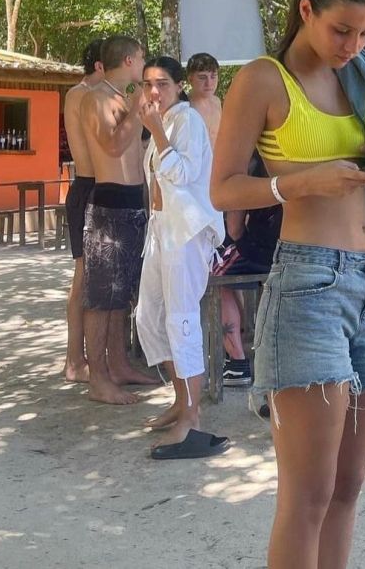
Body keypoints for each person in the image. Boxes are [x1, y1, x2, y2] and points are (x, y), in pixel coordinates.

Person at [211, 0, 365, 569]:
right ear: (306, 11)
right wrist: (300, 183)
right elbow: (223, 189)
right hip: (310, 288)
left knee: (350, 489)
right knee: (308, 494)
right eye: (341, 30)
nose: (354, 44)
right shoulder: (263, 80)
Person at [137, 55, 229, 459]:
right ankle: (180, 400)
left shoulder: (186, 121)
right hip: (162, 230)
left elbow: (183, 175)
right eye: (147, 84)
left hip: (187, 232)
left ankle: (191, 418)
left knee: (181, 317)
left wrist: (156, 130)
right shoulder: (167, 120)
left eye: (162, 84)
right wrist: (155, 128)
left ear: (179, 87)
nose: (154, 92)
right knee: (149, 315)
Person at [79, 34, 158, 405]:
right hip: (108, 204)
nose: (144, 66)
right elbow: (113, 145)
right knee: (102, 299)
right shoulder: (96, 98)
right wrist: (133, 106)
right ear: (129, 60)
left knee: (123, 295)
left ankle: (120, 364)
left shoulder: (120, 98)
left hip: (133, 203)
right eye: (141, 58)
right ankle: (98, 378)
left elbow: (139, 152)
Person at [218, 152, 283, 389]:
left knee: (212, 275)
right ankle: (245, 336)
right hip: (292, 252)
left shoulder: (248, 167)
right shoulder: (296, 162)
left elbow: (234, 229)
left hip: (258, 251)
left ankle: (237, 362)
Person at [60, 38, 104, 382]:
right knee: (83, 277)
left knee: (94, 279)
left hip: (99, 189)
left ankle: (91, 356)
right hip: (87, 187)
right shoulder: (81, 94)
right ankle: (75, 359)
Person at [186, 52, 221, 147]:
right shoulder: (184, 107)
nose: (209, 83)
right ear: (190, 79)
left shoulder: (217, 102)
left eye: (213, 76)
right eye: (202, 77)